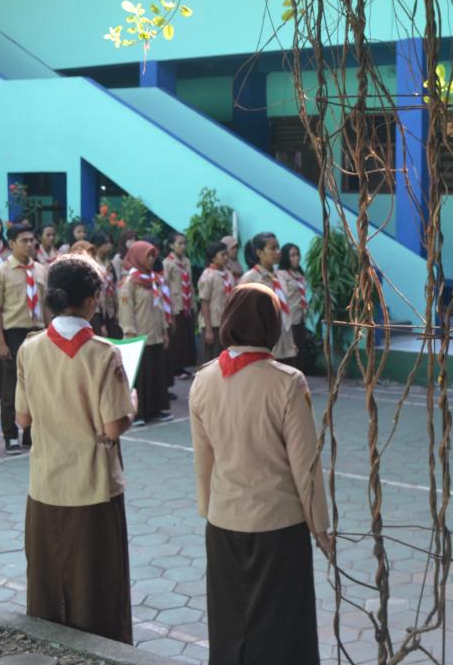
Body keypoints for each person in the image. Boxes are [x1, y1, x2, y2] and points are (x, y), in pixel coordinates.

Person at [189, 283, 330, 663]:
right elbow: (306, 466)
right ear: (272, 324)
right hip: (278, 528)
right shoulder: (286, 382)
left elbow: (203, 460)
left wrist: (209, 508)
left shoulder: (203, 380)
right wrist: (320, 526)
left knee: (231, 623)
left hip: (223, 524)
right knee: (283, 629)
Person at [15, 255, 137, 642]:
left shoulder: (30, 348)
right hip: (93, 485)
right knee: (96, 582)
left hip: (46, 483)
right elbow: (113, 425)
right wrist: (130, 399)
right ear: (93, 298)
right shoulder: (103, 353)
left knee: (49, 576)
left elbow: (22, 420)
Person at [0, 223, 48, 454]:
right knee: (11, 388)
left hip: (39, 332)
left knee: (37, 386)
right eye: (24, 240)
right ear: (11, 244)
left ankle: (31, 433)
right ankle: (10, 434)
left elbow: (46, 306)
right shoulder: (1, 271)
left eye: (32, 240)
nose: (30, 244)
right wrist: (1, 343)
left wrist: (51, 331)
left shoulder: (41, 270)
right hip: (14, 334)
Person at [118, 241, 173, 424]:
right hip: (139, 334)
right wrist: (130, 334)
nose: (151, 259)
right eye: (147, 255)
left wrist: (164, 330)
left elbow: (159, 308)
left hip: (155, 333)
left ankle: (156, 409)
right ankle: (139, 412)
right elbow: (126, 311)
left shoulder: (152, 280)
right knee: (141, 376)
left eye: (153, 255)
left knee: (156, 373)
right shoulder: (130, 282)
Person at [239, 232, 298, 362]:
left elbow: (284, 310)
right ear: (259, 252)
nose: (278, 252)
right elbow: (244, 314)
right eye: (272, 248)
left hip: (284, 339)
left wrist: (290, 341)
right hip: (262, 342)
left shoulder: (280, 276)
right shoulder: (250, 278)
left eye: (278, 247)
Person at [164, 232, 196, 378]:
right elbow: (165, 285)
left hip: (187, 303)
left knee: (185, 335)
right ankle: (175, 367)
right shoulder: (168, 263)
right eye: (179, 244)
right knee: (176, 336)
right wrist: (168, 307)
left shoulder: (187, 262)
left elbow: (190, 283)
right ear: (171, 246)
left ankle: (183, 365)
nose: (183, 246)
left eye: (184, 243)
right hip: (175, 303)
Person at [278, 243, 313, 373]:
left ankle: (299, 380)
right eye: (292, 255)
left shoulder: (299, 274)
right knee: (290, 353)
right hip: (288, 320)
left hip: (300, 319)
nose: (296, 258)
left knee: (300, 352)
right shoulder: (281, 274)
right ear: (286, 257)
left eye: (298, 254)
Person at [198, 241, 232, 363]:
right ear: (213, 257)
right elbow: (205, 302)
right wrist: (208, 330)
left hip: (226, 321)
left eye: (227, 254)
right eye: (223, 255)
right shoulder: (208, 276)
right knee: (212, 358)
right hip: (213, 323)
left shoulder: (227, 274)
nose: (226, 257)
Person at [90, 232, 121, 338]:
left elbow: (114, 284)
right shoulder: (92, 264)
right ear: (97, 246)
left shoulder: (110, 264)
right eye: (105, 243)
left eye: (110, 243)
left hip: (110, 307)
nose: (109, 246)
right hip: (97, 309)